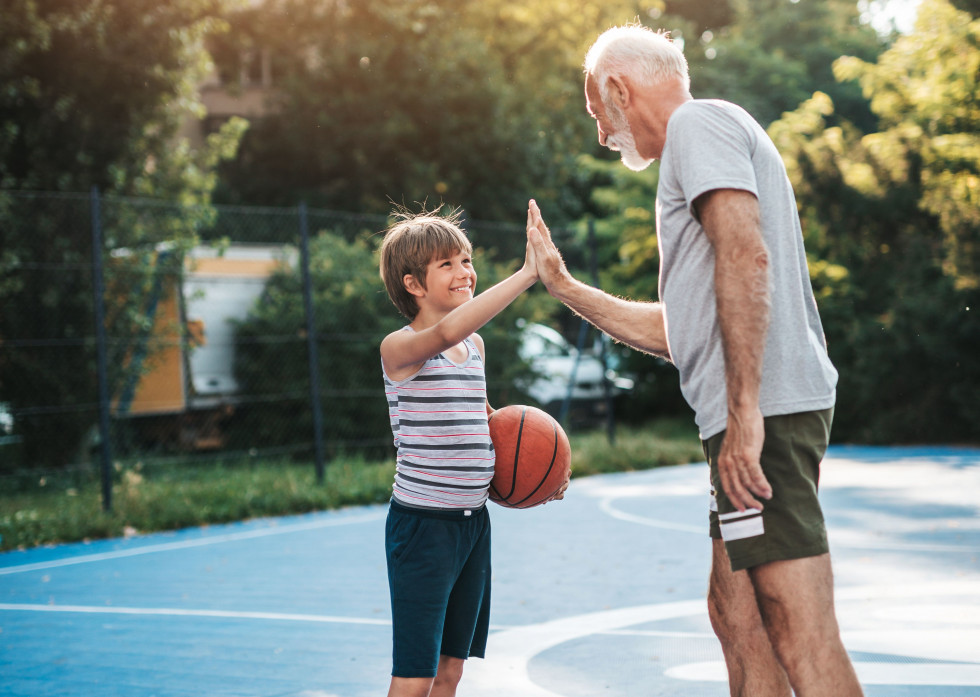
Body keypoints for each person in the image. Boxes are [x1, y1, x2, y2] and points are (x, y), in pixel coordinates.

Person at [525, 24, 863, 697]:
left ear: (620, 88)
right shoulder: (699, 141)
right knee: (736, 614)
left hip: (762, 418)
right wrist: (563, 286)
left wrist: (744, 416)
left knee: (798, 627)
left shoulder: (697, 127)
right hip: (753, 418)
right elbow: (686, 330)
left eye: (598, 112)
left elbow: (746, 254)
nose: (602, 134)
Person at [378, 208, 556, 697]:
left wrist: (547, 469)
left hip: (472, 525)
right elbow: (444, 334)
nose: (465, 273)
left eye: (466, 259)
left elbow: (489, 424)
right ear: (414, 284)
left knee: (451, 670)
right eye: (448, 265)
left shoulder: (474, 347)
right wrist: (526, 275)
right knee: (415, 676)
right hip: (423, 527)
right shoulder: (401, 347)